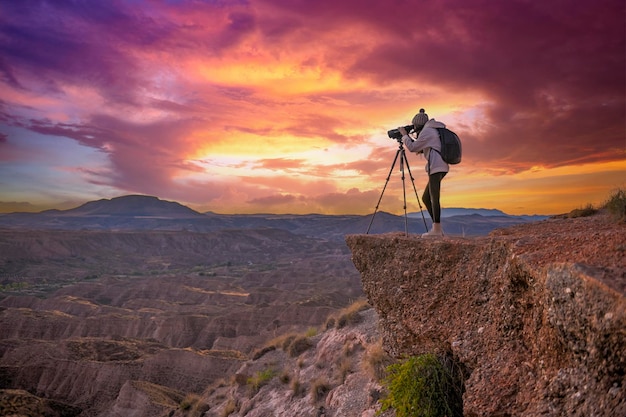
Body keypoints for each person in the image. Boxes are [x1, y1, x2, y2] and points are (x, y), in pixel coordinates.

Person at [397, 109, 448, 237]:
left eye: (414, 126)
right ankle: (437, 228)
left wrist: (404, 135)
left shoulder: (427, 131)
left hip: (437, 166)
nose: (413, 128)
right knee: (426, 198)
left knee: (434, 197)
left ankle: (436, 230)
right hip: (439, 166)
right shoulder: (432, 130)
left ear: (418, 125)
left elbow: (413, 147)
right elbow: (419, 147)